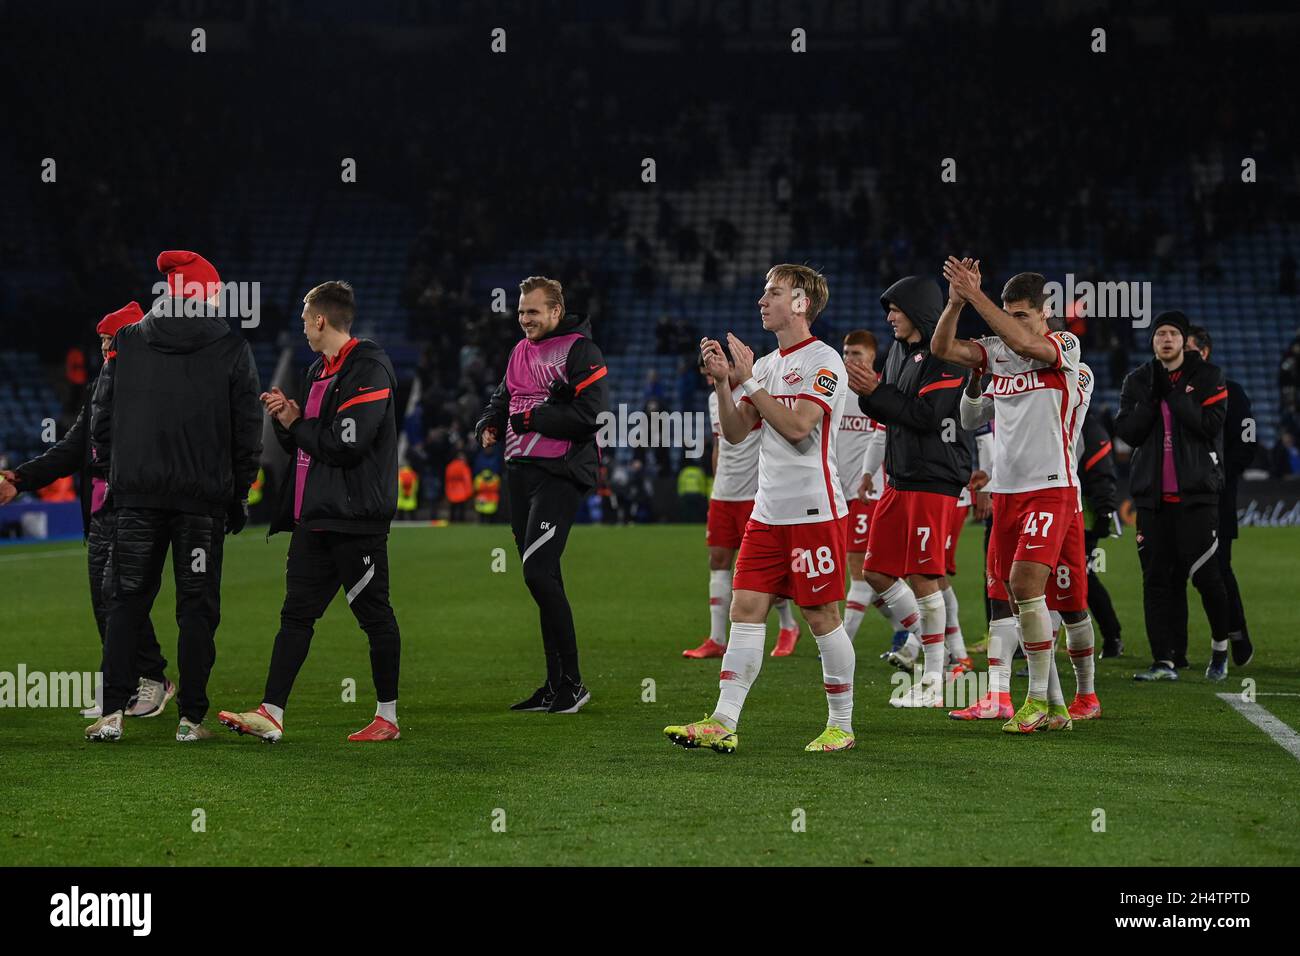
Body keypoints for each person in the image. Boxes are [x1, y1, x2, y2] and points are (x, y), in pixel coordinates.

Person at [664, 263, 856, 753]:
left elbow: (798, 428)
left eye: (773, 292)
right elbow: (733, 433)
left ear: (801, 303)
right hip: (768, 513)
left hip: (814, 511)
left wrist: (748, 382)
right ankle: (723, 719)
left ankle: (842, 725)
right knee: (745, 608)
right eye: (763, 292)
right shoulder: (767, 365)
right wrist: (724, 385)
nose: (762, 300)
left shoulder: (825, 360)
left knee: (819, 616)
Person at [86, 251, 262, 742]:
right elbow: (248, 429)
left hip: (137, 500)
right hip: (201, 504)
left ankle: (112, 714)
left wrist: (118, 475)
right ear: (204, 293)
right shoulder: (230, 346)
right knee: (196, 608)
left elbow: (101, 420)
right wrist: (240, 492)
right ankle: (190, 719)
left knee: (125, 601)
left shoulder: (127, 342)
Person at [218, 281, 403, 743]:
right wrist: (287, 422)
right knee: (295, 616)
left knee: (373, 615)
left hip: (353, 519)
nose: (302, 327)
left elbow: (346, 442)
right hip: (313, 517)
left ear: (321, 319)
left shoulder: (369, 367)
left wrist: (299, 423)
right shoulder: (317, 370)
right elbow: (311, 444)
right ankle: (271, 711)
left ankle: (388, 717)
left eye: (305, 319)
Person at [935, 260, 1085, 733]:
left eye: (1023, 314)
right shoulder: (994, 352)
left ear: (1045, 314)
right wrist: (957, 302)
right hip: (1007, 493)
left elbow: (1025, 343)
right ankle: (1056, 707)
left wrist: (977, 297)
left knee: (1025, 587)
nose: (1014, 323)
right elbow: (941, 347)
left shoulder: (1063, 346)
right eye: (1008, 313)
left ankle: (1036, 700)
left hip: (1050, 487)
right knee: (1012, 595)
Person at [0, 302, 170, 719]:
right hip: (100, 511)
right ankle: (125, 682)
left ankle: (153, 679)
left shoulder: (153, 386)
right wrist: (18, 479)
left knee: (120, 596)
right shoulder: (100, 387)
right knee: (104, 599)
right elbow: (72, 448)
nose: (104, 346)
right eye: (103, 340)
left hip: (135, 507)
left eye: (109, 339)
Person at [475, 276, 608, 714]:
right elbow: (504, 397)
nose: (525, 319)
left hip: (560, 472)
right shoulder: (519, 351)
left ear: (555, 311)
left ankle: (573, 684)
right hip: (520, 473)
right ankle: (555, 685)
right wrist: (489, 422)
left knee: (537, 573)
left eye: (533, 311)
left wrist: (533, 420)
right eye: (520, 312)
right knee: (543, 577)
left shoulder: (580, 351)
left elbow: (589, 417)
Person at [847, 274, 968, 708]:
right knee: (876, 571)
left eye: (895, 308)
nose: (889, 316)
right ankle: (929, 639)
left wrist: (875, 390)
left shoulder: (946, 356)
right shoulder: (899, 351)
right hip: (898, 479)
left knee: (922, 576)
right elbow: (887, 406)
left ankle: (935, 679)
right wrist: (870, 391)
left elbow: (925, 415)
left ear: (917, 309)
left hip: (934, 479)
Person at [1114, 311, 1233, 682]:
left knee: (1206, 577)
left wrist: (1175, 393)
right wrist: (1153, 397)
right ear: (1153, 342)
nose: (1165, 339)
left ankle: (1219, 649)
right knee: (1156, 579)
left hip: (1196, 495)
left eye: (1172, 334)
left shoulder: (1209, 377)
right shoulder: (1138, 380)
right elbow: (1128, 432)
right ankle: (1164, 660)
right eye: (1159, 334)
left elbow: (1209, 425)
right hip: (1152, 499)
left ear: (1183, 341)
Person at [682, 354, 802, 660]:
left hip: (755, 495)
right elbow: (720, 443)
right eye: (707, 377)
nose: (712, 380)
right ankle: (717, 638)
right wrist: (715, 483)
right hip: (724, 494)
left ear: (732, 365)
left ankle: (789, 627)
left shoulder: (756, 393)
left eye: (714, 374)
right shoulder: (715, 399)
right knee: (718, 560)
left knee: (762, 568)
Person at [1187, 326, 1254, 668]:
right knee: (1174, 572)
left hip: (1218, 496)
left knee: (1218, 568)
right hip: (1179, 496)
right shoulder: (1171, 392)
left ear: (1205, 352)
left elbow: (1248, 443)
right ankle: (1170, 653)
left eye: (1190, 349)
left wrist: (1219, 477)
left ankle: (1236, 634)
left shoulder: (1233, 392)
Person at [836, 330, 889, 646]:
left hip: (870, 492)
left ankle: (844, 640)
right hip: (840, 494)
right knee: (872, 576)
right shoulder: (836, 390)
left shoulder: (880, 392)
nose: (849, 359)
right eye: (846, 353)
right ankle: (910, 630)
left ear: (871, 357)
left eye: (856, 354)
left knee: (860, 571)